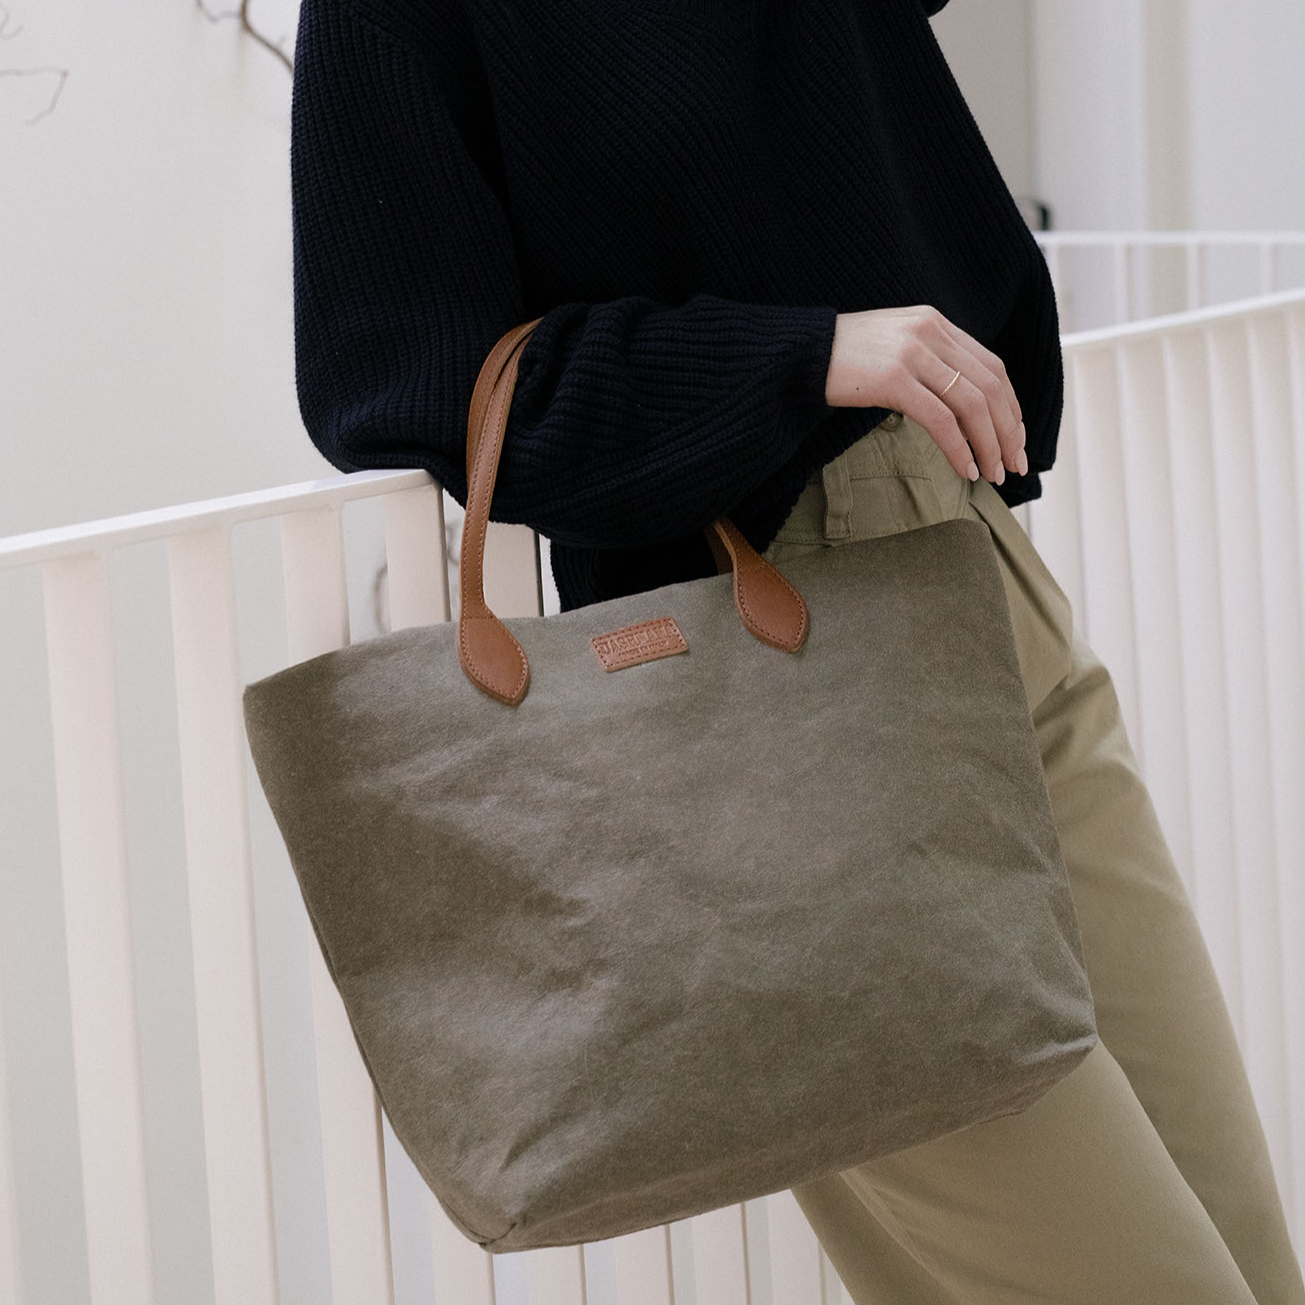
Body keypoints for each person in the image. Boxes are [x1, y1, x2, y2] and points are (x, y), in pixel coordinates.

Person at [286, 0, 1305, 1299]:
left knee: (1255, 1259)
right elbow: (402, 377)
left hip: (982, 586)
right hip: (781, 686)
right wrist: (797, 358)